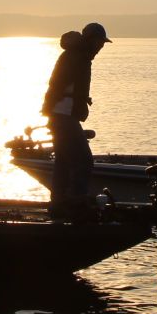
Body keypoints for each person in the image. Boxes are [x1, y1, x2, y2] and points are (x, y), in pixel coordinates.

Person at [41, 22, 112, 216]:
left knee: (63, 161)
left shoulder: (77, 56)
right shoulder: (77, 57)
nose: (101, 46)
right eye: (100, 41)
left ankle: (58, 204)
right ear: (90, 40)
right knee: (84, 161)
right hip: (63, 115)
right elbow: (57, 84)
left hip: (60, 114)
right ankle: (76, 203)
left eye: (103, 43)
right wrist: (58, 104)